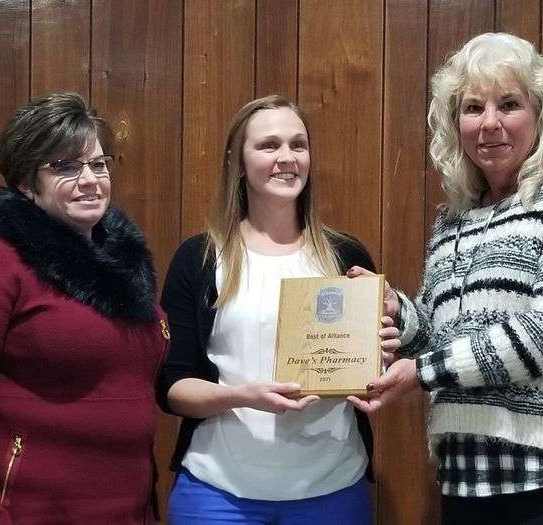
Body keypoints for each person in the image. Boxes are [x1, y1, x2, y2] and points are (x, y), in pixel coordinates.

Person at [349, 32, 543, 525]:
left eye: (509, 104)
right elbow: (450, 340)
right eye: (472, 108)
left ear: (542, 113)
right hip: (463, 480)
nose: (489, 124)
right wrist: (401, 313)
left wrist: (421, 372)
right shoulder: (455, 218)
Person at [0, 92, 169, 524]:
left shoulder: (126, 265)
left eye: (98, 164)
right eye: (65, 167)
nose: (91, 179)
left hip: (124, 509)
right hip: (25, 512)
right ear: (25, 183)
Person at [156, 95, 377, 524]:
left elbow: (371, 371)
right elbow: (173, 386)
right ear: (238, 162)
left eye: (298, 144)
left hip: (332, 487)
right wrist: (245, 396)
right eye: (268, 145)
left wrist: (379, 360)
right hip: (218, 491)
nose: (286, 158)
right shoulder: (200, 259)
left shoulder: (344, 256)